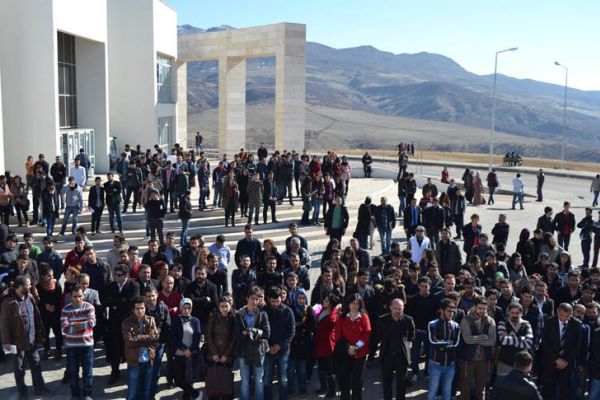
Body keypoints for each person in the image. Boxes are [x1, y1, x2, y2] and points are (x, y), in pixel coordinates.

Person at [1, 276, 54, 398]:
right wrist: (6, 342)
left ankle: (39, 388)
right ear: (19, 287)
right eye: (28, 285)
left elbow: (36, 317)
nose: (30, 286)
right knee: (19, 368)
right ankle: (22, 392)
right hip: (17, 342)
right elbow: (3, 324)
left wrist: (39, 334)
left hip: (31, 340)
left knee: (36, 364)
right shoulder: (8, 303)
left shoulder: (29, 297)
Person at [105, 264, 141, 383]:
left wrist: (116, 303)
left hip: (128, 321)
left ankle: (131, 372)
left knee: (129, 347)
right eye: (116, 275)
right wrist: (120, 301)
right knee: (114, 348)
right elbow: (107, 300)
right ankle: (114, 372)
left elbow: (131, 302)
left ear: (126, 275)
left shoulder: (133, 285)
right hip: (114, 322)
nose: (117, 277)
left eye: (119, 275)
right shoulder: (111, 286)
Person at [235, 286, 271, 400]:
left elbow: (267, 333)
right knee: (245, 381)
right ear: (247, 298)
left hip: (258, 351)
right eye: (252, 298)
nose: (254, 301)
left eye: (257, 299)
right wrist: (244, 333)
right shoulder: (239, 314)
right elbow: (236, 333)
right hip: (243, 350)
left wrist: (253, 332)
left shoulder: (262, 314)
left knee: (259, 380)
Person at [333, 293, 371, 400]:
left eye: (357, 303)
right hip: (345, 354)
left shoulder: (364, 317)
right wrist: (348, 348)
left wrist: (356, 347)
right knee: (344, 380)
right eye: (352, 303)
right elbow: (337, 335)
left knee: (357, 381)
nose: (354, 305)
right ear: (348, 304)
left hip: (360, 354)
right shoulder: (342, 318)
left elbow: (367, 334)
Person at [61, 285, 96, 400]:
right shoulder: (65, 309)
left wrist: (74, 325)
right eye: (75, 296)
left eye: (80, 296)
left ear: (83, 296)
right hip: (71, 346)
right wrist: (82, 325)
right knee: (72, 372)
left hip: (87, 345)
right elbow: (65, 329)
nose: (77, 299)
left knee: (88, 371)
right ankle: (75, 395)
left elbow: (92, 323)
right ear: (71, 296)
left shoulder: (89, 307)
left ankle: (87, 394)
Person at [541, 302, 582, 400]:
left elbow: (577, 345)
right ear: (557, 311)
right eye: (561, 315)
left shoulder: (576, 324)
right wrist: (556, 359)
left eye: (567, 316)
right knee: (548, 390)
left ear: (571, 314)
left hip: (567, 364)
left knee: (566, 391)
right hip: (551, 361)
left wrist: (566, 360)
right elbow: (545, 342)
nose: (563, 318)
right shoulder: (549, 322)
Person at [377, 298, 415, 400]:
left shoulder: (408, 320)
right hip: (387, 355)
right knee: (386, 382)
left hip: (402, 356)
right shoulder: (382, 320)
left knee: (401, 383)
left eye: (400, 308)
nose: (397, 311)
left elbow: (411, 335)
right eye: (395, 308)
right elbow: (378, 335)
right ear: (390, 308)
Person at [459, 297, 496, 400]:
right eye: (480, 308)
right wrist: (483, 337)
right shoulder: (466, 320)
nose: (482, 311)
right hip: (468, 359)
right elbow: (467, 339)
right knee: (465, 388)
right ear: (475, 307)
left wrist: (475, 338)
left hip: (484, 360)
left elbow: (492, 341)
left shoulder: (490, 320)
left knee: (481, 389)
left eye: (484, 309)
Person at [263, 286, 295, 400]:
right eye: (273, 301)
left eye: (278, 301)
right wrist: (268, 347)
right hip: (267, 351)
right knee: (267, 378)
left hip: (283, 351)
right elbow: (260, 331)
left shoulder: (288, 311)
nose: (276, 303)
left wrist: (279, 346)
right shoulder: (263, 311)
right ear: (268, 299)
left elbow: (291, 332)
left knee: (283, 378)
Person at [426, 298, 460, 400]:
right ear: (441, 310)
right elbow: (432, 342)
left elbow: (457, 345)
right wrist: (448, 343)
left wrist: (440, 343)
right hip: (435, 364)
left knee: (447, 390)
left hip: (450, 365)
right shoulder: (432, 324)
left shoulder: (456, 326)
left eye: (453, 312)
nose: (451, 314)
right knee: (433, 390)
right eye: (449, 311)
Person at [169, 298, 202, 400]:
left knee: (189, 380)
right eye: (184, 308)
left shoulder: (195, 321)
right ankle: (196, 393)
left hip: (191, 355)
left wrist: (190, 350)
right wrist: (184, 349)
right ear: (180, 308)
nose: (187, 310)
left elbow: (197, 337)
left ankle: (188, 397)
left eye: (189, 308)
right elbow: (173, 338)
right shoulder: (175, 320)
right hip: (179, 354)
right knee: (179, 380)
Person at [206, 296, 236, 400]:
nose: (224, 309)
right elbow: (208, 336)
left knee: (226, 381)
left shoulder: (233, 318)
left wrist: (226, 355)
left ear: (230, 306)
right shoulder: (213, 317)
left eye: (226, 306)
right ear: (218, 307)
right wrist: (214, 353)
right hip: (213, 353)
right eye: (222, 306)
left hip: (227, 354)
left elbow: (234, 338)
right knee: (214, 380)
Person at [144, 286, 171, 399]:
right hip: (144, 344)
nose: (151, 298)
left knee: (155, 369)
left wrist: (160, 342)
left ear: (157, 295)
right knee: (146, 369)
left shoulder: (163, 308)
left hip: (159, 345)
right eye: (148, 296)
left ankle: (152, 392)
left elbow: (167, 326)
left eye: (153, 296)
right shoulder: (142, 308)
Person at [496, 303, 534, 376]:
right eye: (512, 313)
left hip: (522, 364)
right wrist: (521, 338)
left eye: (517, 313)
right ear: (508, 313)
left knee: (521, 387)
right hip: (505, 362)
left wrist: (509, 338)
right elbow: (503, 340)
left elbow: (529, 343)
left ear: (521, 314)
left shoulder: (527, 324)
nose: (514, 315)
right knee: (503, 386)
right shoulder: (502, 323)